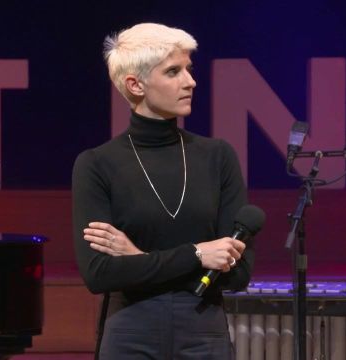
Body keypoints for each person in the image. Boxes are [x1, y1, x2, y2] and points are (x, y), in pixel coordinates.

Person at [72, 23, 253, 359]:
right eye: (173, 71)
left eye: (188, 69)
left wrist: (137, 259)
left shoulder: (217, 156)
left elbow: (238, 274)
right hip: (130, 332)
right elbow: (98, 274)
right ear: (135, 84)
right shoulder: (97, 164)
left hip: (204, 332)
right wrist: (198, 256)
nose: (190, 81)